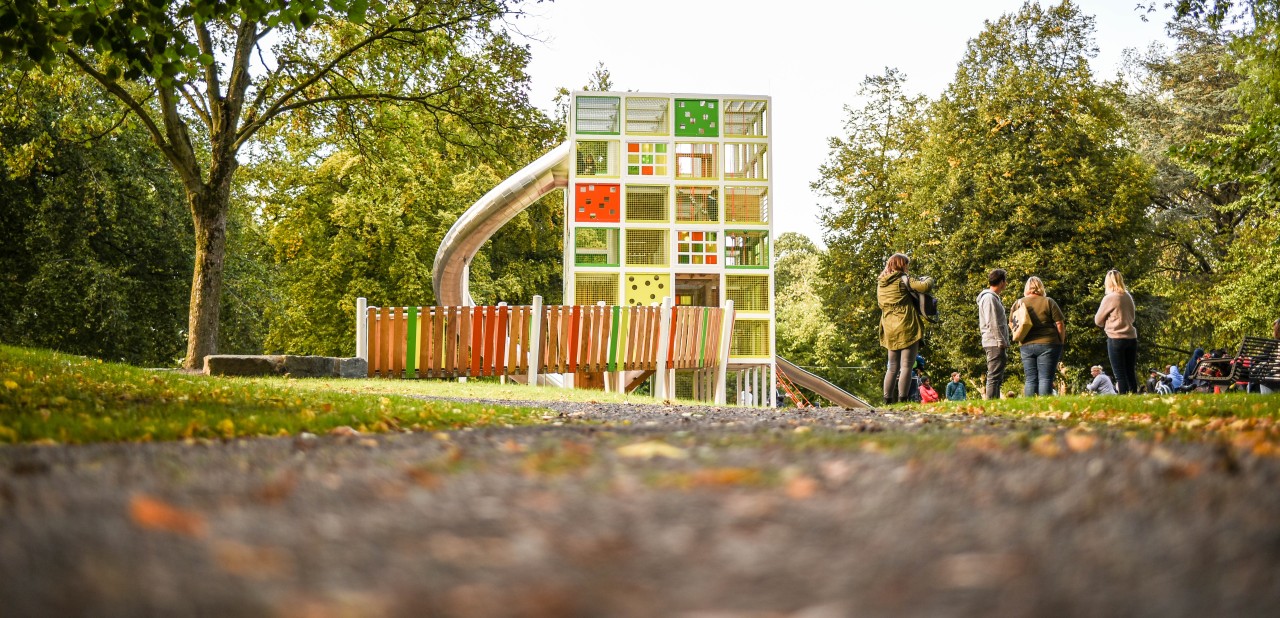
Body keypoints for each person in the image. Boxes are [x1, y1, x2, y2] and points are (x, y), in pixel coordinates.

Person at [878, 253, 935, 405]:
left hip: (889, 328)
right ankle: (903, 400)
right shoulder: (903, 280)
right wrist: (929, 278)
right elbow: (925, 286)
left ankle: (887, 401)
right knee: (906, 367)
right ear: (902, 265)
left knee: (892, 368)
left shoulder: (881, 284)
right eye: (906, 264)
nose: (907, 267)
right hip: (907, 326)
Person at [1009, 276, 1066, 397]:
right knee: (1045, 378)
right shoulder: (1048, 301)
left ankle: (1030, 407)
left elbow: (1012, 324)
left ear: (1026, 288)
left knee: (1030, 379)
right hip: (1048, 343)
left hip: (1026, 344)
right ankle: (1044, 406)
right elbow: (1059, 323)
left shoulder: (1018, 303)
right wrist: (1061, 340)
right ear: (1041, 287)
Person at [1094, 270, 1138, 394]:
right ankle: (1134, 395)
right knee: (1130, 371)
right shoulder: (1128, 296)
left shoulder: (1109, 298)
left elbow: (1097, 320)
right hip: (1131, 337)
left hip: (1116, 338)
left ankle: (1123, 397)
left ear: (1107, 282)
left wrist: (1107, 323)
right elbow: (1132, 317)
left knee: (1119, 374)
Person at [977, 268, 1011, 400]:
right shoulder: (989, 298)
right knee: (993, 375)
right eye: (1005, 281)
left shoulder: (992, 298)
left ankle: (994, 401)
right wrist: (1000, 340)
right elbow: (992, 322)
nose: (1006, 283)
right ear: (1002, 282)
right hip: (994, 342)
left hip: (995, 341)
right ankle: (991, 402)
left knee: (997, 376)